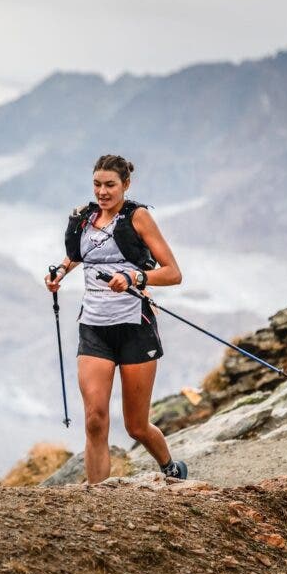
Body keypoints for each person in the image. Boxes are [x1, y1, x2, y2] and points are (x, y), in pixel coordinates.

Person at [44, 154, 187, 483]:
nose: (102, 191)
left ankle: (170, 468)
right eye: (97, 184)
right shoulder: (84, 217)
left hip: (135, 328)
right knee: (95, 419)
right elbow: (81, 254)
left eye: (110, 185)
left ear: (126, 185)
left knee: (136, 426)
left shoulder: (138, 217)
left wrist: (135, 278)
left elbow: (173, 273)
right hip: (94, 327)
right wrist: (61, 271)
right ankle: (97, 498)